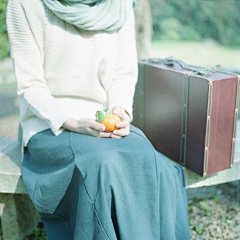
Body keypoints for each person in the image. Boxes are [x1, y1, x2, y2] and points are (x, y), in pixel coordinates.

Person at [6, 0, 191, 239]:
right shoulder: (25, 4)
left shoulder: (121, 4)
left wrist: (121, 110)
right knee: (103, 163)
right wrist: (71, 121)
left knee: (152, 160)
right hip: (50, 125)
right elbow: (30, 85)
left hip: (104, 121)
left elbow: (123, 74)